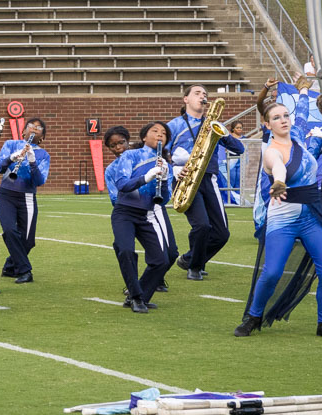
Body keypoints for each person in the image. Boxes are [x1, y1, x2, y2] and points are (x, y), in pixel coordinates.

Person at [235, 85, 322, 337]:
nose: (283, 120)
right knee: (272, 271)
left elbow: (304, 113)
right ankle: (253, 316)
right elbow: (279, 168)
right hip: (282, 219)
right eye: (276, 118)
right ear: (267, 124)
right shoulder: (271, 151)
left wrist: (304, 90)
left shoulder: (297, 134)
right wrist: (279, 182)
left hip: (310, 215)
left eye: (286, 115)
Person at [167, 84, 246, 280]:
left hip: (209, 179)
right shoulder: (174, 125)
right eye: (197, 93)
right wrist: (174, 169)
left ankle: (190, 259)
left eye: (205, 94)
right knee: (202, 226)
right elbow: (161, 154)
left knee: (222, 234)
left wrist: (222, 129)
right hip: (185, 179)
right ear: (186, 99)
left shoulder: (212, 124)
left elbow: (239, 149)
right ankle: (195, 267)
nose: (202, 96)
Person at [105, 122, 174, 313]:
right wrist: (146, 177)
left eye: (164, 133)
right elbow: (122, 185)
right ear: (144, 137)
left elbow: (163, 200)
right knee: (126, 251)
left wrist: (165, 181)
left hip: (147, 214)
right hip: (124, 212)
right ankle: (136, 297)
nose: (160, 135)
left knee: (161, 260)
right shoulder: (131, 155)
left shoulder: (165, 164)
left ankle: (140, 294)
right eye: (155, 131)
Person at [0, 118, 50, 284]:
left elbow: (39, 181)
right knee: (10, 231)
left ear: (42, 138)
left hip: (27, 198)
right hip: (6, 195)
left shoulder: (43, 155)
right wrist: (12, 158)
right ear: (23, 131)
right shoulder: (11, 144)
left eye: (38, 128)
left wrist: (32, 161)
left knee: (28, 241)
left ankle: (10, 266)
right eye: (30, 126)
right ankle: (25, 271)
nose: (34, 129)